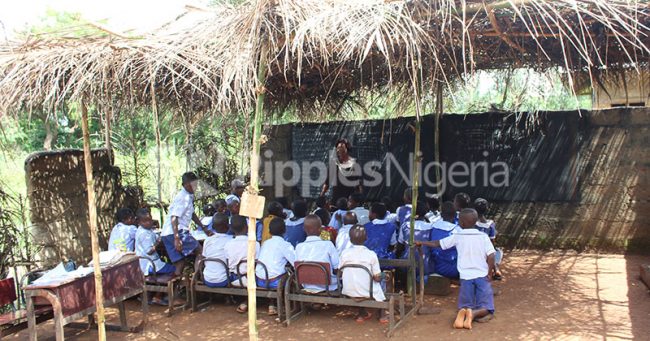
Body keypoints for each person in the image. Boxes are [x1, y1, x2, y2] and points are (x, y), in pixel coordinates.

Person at [416, 208, 496, 330]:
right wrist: (490, 273)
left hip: (465, 277)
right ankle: (475, 314)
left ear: (462, 223)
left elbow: (439, 244)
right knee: (487, 306)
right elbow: (491, 255)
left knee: (464, 305)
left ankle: (465, 311)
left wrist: (422, 243)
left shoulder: (458, 236)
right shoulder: (483, 236)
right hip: (482, 275)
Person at [161, 172, 208, 276]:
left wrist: (203, 227)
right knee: (201, 251)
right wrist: (177, 238)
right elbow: (174, 217)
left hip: (167, 234)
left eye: (196, 184)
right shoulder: (183, 197)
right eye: (193, 184)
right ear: (185, 185)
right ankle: (196, 279)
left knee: (180, 263)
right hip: (177, 232)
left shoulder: (188, 196)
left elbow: (192, 214)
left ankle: (175, 288)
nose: (196, 187)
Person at [340, 224, 389, 324]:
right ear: (366, 238)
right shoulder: (371, 254)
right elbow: (377, 278)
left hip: (349, 290)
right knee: (381, 279)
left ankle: (362, 314)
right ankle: (382, 314)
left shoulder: (344, 253)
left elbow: (340, 271)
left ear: (350, 239)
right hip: (368, 292)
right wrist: (384, 275)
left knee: (359, 279)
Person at [135, 208, 176, 306]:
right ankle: (159, 296)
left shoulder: (142, 230)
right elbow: (149, 251)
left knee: (167, 267)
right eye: (145, 221)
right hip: (150, 264)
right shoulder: (144, 234)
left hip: (144, 263)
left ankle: (151, 295)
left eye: (150, 220)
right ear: (139, 222)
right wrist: (157, 242)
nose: (149, 223)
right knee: (175, 269)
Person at [255, 217, 295, 315]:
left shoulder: (265, 243)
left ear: (269, 231)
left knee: (274, 269)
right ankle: (288, 304)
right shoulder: (285, 244)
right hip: (275, 282)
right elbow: (295, 262)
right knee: (290, 273)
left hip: (259, 280)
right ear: (285, 230)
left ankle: (272, 304)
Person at [224, 215, 260, 313]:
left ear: (231, 228)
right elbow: (257, 263)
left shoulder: (228, 244)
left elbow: (227, 263)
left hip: (232, 279)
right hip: (249, 279)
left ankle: (242, 300)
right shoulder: (255, 243)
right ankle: (271, 303)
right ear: (247, 227)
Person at [295, 215, 339, 293]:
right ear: (321, 230)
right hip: (327, 286)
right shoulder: (328, 244)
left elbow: (297, 267)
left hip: (307, 284)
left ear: (304, 229)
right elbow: (336, 267)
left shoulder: (299, 247)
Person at [320, 138, 363, 202]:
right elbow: (327, 183)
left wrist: (359, 200)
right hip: (336, 202)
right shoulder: (334, 165)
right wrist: (321, 197)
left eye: (342, 148)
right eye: (338, 148)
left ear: (347, 149)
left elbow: (359, 185)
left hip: (350, 202)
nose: (339, 150)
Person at [429, 202, 462, 279]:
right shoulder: (458, 230)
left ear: (441, 214)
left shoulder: (432, 227)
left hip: (434, 267)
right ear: (455, 216)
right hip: (453, 269)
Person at [398, 201, 433, 272]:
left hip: (408, 264)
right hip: (426, 264)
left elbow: (400, 246)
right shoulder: (431, 227)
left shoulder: (405, 226)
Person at [474, 198, 502, 280]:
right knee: (498, 251)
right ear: (487, 209)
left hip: (472, 251)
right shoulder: (490, 224)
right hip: (485, 254)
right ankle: (495, 268)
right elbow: (492, 242)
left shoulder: (471, 222)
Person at [202, 213, 232, 288]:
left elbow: (204, 256)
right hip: (224, 280)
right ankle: (229, 297)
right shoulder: (231, 241)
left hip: (207, 279)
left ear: (212, 226)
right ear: (228, 226)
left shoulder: (207, 240)